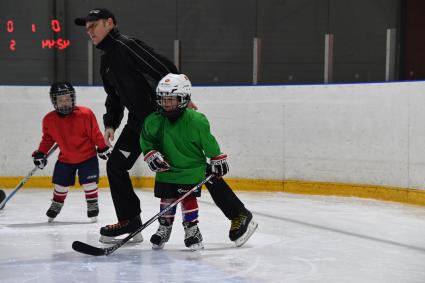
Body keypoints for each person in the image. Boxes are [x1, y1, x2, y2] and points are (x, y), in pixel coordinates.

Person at [74, 8, 257, 247]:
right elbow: (114, 95)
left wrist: (181, 94)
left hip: (163, 118)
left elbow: (160, 65)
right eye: (87, 28)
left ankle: (239, 214)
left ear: (109, 23)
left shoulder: (125, 45)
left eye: (94, 25)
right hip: (138, 123)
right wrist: (111, 122)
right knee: (116, 166)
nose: (90, 32)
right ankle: (130, 221)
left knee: (194, 168)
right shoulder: (106, 59)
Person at [140, 73, 232, 250]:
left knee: (187, 198)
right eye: (163, 99)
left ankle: (192, 229)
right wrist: (150, 153)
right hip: (167, 171)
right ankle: (164, 227)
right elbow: (146, 139)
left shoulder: (196, 121)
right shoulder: (154, 120)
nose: (166, 103)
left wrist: (216, 157)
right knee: (166, 198)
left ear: (184, 98)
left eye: (172, 99)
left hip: (191, 170)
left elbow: (208, 141)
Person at [32, 82, 111, 222]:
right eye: (60, 100)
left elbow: (95, 134)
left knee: (90, 183)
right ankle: (57, 203)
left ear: (73, 98)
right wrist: (41, 153)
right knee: (60, 184)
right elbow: (47, 139)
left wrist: (102, 147)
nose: (65, 103)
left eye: (68, 99)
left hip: (88, 157)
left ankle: (92, 204)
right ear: (54, 101)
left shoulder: (85, 114)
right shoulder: (49, 119)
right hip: (66, 159)